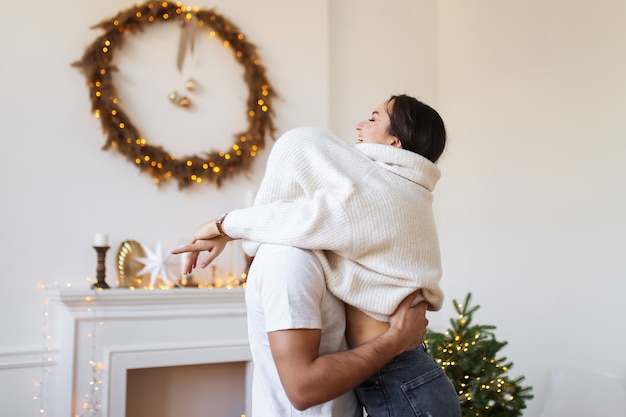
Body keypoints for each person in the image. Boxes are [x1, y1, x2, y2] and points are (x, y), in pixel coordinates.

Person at [173, 94, 461, 416]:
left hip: (400, 378)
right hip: (401, 377)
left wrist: (222, 225)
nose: (359, 125)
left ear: (395, 142)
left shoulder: (376, 195)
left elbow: (305, 216)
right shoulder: (393, 195)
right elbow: (308, 217)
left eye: (373, 118)